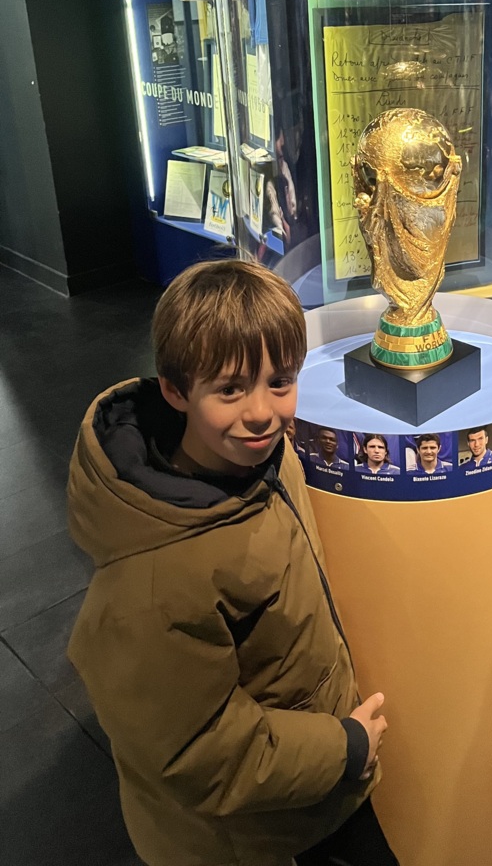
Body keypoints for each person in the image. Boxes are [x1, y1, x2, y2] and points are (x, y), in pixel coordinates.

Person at [66, 260, 395, 866]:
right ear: (175, 390)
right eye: (230, 389)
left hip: (308, 783)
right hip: (255, 832)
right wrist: (344, 747)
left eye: (280, 381)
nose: (262, 412)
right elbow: (197, 750)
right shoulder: (155, 582)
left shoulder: (262, 459)